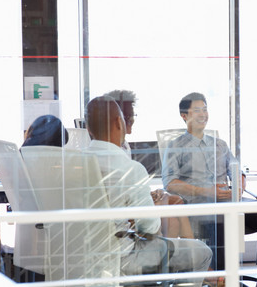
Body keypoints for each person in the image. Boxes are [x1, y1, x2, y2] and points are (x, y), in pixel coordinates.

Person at [85, 96, 211, 285]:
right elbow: (151, 227)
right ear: (119, 123)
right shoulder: (130, 168)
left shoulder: (74, 163)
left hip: (85, 258)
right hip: (123, 259)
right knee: (201, 252)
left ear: (87, 128)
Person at [162, 92, 257, 287]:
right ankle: (222, 281)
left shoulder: (220, 144)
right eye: (197, 110)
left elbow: (237, 170)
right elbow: (170, 183)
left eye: (205, 109)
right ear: (184, 116)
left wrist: (239, 186)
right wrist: (207, 191)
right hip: (199, 207)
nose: (203, 114)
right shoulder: (175, 146)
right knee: (222, 222)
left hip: (228, 203)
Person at [104, 89, 194, 239]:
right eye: (128, 116)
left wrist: (149, 195)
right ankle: (183, 257)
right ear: (116, 119)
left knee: (175, 201)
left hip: (131, 202)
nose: (131, 120)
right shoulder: (108, 152)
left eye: (132, 115)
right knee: (171, 217)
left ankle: (186, 258)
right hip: (124, 214)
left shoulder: (124, 145)